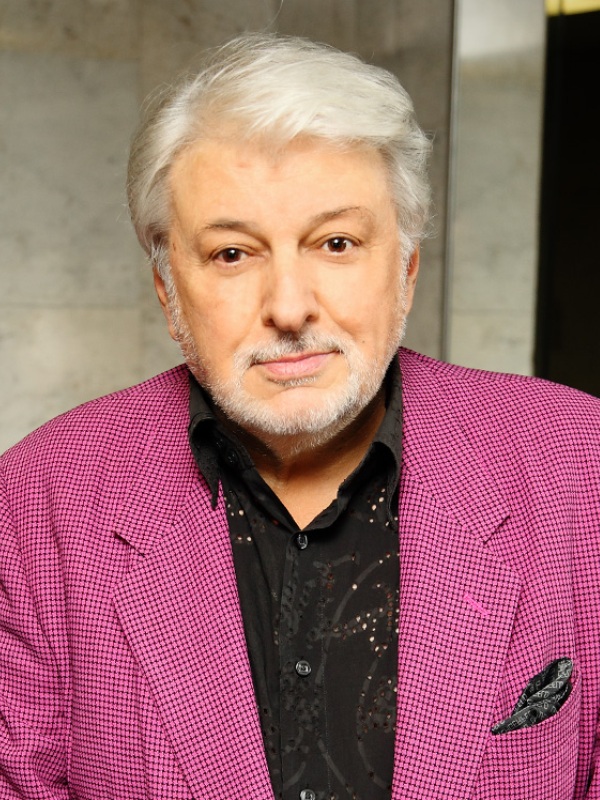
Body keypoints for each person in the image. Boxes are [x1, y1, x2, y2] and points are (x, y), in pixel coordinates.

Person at [0, 32, 599, 800]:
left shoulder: (580, 463)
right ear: (167, 291)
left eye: (336, 243)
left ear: (407, 269)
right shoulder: (36, 501)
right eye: (232, 254)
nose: (289, 308)